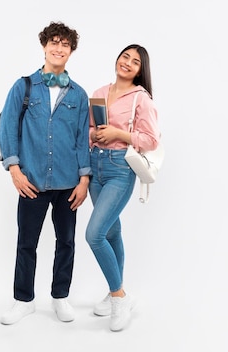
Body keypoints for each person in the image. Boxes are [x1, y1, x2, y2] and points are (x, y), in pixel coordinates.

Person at [0, 21, 91, 325]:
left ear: (71, 51)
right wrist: (14, 169)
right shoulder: (23, 86)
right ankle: (22, 300)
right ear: (44, 46)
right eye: (54, 42)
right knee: (27, 242)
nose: (59, 48)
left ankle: (60, 297)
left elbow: (81, 138)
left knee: (66, 242)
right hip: (32, 181)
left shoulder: (78, 95)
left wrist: (84, 179)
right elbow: (8, 127)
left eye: (65, 44)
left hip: (68, 183)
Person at [85, 44, 160, 332]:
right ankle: (115, 289)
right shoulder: (100, 92)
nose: (127, 63)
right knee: (112, 231)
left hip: (119, 169)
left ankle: (120, 297)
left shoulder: (141, 99)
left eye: (135, 61)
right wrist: (95, 133)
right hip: (96, 166)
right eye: (125, 56)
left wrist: (118, 134)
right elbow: (89, 130)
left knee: (94, 234)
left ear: (141, 70)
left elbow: (151, 139)